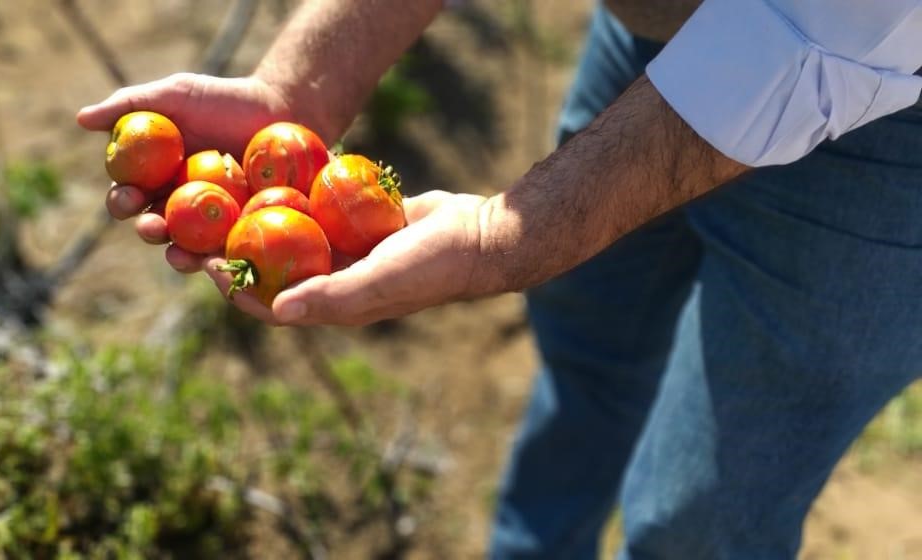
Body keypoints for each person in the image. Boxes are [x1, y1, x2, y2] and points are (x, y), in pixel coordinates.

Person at [77, 0, 922, 557]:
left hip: (891, 118)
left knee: (705, 517)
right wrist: (301, 83)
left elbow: (825, 31)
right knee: (587, 347)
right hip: (668, 30)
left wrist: (512, 236)